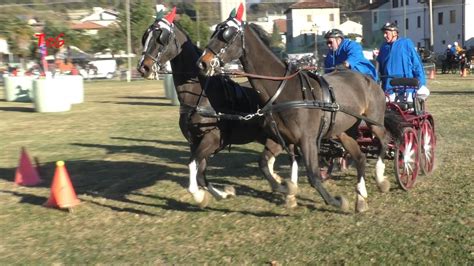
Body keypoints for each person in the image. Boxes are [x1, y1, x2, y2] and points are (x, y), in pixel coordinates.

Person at [377, 22, 429, 101]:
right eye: (384, 33)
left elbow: (416, 64)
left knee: (408, 110)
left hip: (407, 87)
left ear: (394, 33)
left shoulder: (406, 43)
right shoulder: (384, 47)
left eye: (386, 33)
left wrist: (421, 83)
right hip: (389, 88)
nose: (384, 35)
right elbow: (378, 66)